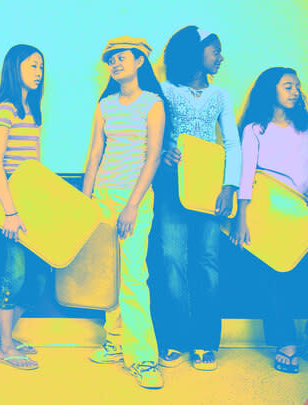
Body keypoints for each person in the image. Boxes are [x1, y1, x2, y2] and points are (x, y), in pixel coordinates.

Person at [152, 26, 241, 371]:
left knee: (207, 263)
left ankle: (205, 342)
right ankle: (175, 339)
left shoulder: (220, 95)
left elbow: (232, 144)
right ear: (195, 51)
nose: (220, 57)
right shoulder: (164, 90)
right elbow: (153, 134)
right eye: (214, 50)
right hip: (173, 189)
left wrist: (229, 187)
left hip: (210, 191)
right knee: (172, 260)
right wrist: (164, 151)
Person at [82, 36, 166, 389]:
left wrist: (132, 204)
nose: (115, 64)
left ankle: (144, 358)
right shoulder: (105, 105)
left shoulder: (153, 104)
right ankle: (115, 343)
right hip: (101, 194)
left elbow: (154, 157)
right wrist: (84, 201)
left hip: (134, 198)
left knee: (133, 276)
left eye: (121, 58)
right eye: (111, 60)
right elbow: (94, 154)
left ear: (139, 63)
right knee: (108, 273)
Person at [231, 67, 308, 374]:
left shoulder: (304, 127)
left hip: (302, 210)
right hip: (269, 214)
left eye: (298, 86)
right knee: (276, 277)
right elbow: (246, 174)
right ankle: (285, 343)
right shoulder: (254, 129)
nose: (296, 91)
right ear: (270, 91)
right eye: (288, 86)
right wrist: (241, 219)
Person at [0, 44, 46, 370]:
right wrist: (10, 210)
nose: (38, 73)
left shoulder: (31, 111)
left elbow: (33, 165)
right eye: (32, 66)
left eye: (41, 68)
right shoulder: (6, 109)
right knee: (14, 272)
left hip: (32, 199)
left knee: (37, 277)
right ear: (15, 68)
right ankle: (4, 346)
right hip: (10, 201)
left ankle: (3, 336)